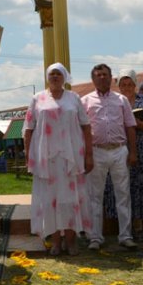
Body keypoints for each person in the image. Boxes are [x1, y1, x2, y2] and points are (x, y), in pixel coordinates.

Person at [22, 63, 93, 256]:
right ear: (47, 77)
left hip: (71, 159)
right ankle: (55, 242)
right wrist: (28, 155)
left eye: (58, 74)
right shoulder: (37, 99)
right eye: (51, 74)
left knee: (69, 200)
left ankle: (70, 242)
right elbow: (28, 129)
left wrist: (88, 155)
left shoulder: (74, 98)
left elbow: (86, 127)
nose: (55, 77)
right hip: (46, 160)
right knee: (49, 200)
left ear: (64, 77)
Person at [81, 63, 138, 251]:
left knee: (123, 194)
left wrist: (133, 152)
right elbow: (81, 130)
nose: (102, 78)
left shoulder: (121, 100)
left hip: (119, 150)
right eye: (98, 75)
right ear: (93, 79)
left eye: (105, 74)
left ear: (111, 77)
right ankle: (95, 237)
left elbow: (130, 126)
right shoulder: (85, 101)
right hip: (96, 151)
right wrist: (86, 155)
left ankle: (126, 236)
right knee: (94, 196)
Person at [117, 69, 143, 242]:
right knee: (125, 190)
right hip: (121, 152)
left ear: (135, 85)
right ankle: (130, 230)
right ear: (119, 86)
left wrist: (139, 124)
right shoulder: (116, 102)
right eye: (123, 84)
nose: (127, 87)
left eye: (130, 84)